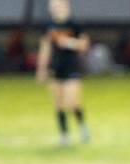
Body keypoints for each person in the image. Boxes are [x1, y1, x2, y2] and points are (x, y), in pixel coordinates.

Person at [35, 0, 89, 146]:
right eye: (53, 7)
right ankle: (65, 136)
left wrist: (68, 42)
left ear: (66, 7)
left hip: (72, 67)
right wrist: (41, 69)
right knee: (58, 104)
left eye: (58, 6)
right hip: (56, 68)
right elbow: (45, 49)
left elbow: (84, 45)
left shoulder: (75, 25)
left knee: (72, 102)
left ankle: (82, 127)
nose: (56, 9)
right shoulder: (48, 26)